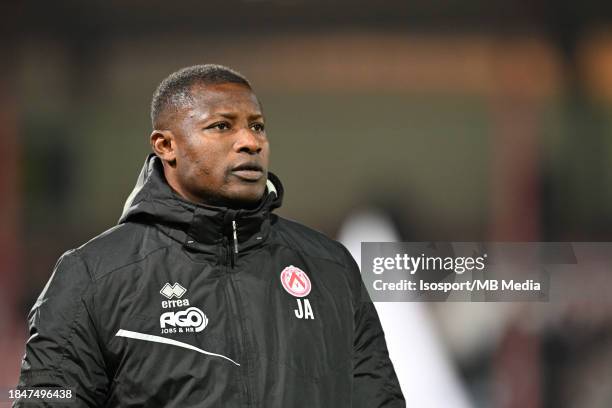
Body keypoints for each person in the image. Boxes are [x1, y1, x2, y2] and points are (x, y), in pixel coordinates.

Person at [15, 64, 405, 407]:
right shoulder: (92, 276)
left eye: (257, 126)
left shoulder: (329, 267)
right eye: (222, 126)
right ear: (166, 146)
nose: (250, 142)